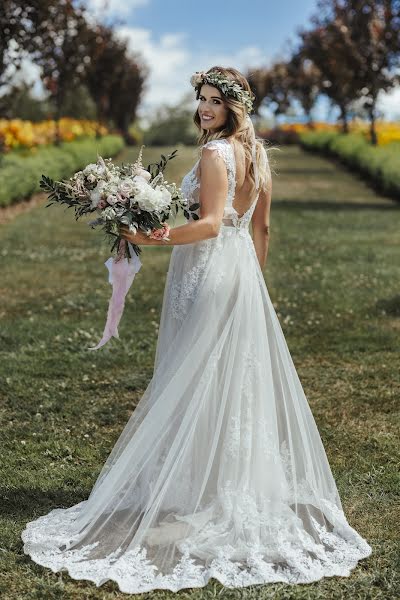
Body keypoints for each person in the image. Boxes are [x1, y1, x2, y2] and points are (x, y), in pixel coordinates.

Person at [21, 66, 371, 594]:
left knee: (192, 376)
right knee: (229, 380)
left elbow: (209, 223)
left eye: (215, 101)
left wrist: (149, 234)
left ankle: (198, 487)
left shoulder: (214, 154)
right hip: (240, 274)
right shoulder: (259, 156)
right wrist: (250, 282)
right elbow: (261, 228)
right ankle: (219, 486)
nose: (205, 108)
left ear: (234, 106)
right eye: (202, 99)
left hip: (206, 270)